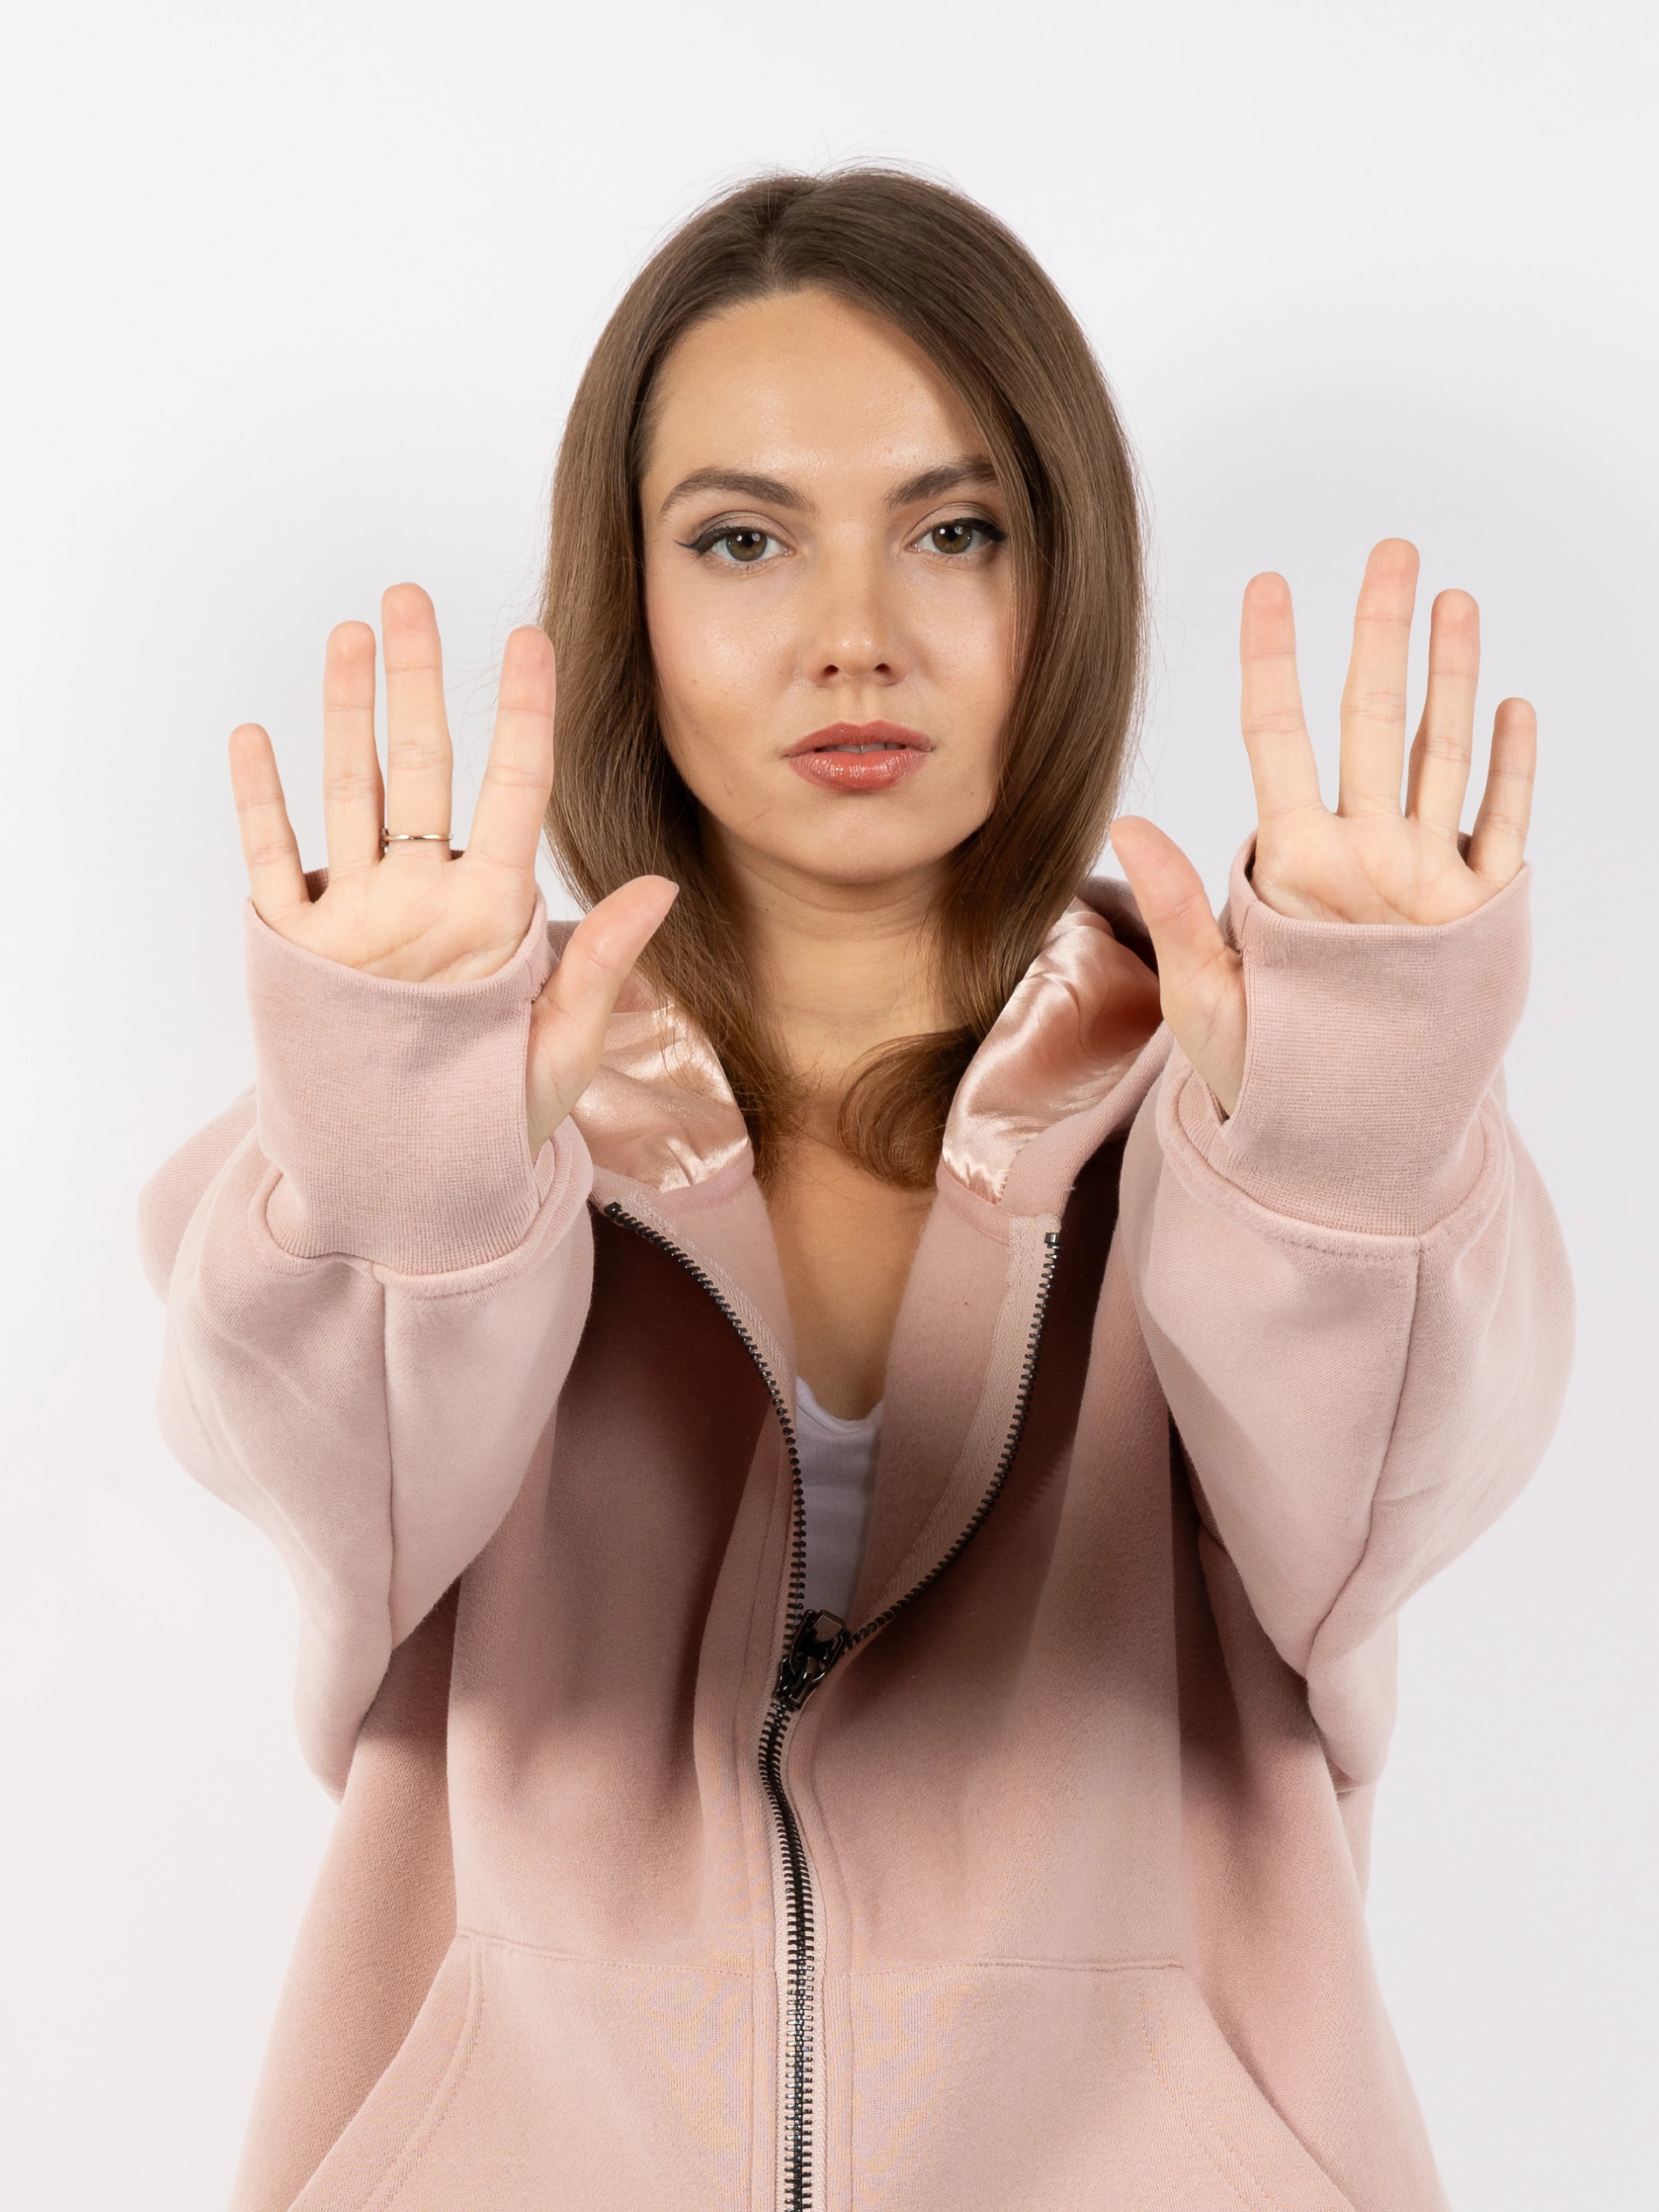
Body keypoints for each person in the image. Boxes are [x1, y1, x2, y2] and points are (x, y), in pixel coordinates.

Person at [138, 168, 1572, 2212]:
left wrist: (1351, 1129)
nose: (853, 639)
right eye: (743, 539)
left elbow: (1390, 1490)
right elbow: (311, 1454)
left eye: (955, 529)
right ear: (627, 597)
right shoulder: (481, 1112)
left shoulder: (1234, 1106)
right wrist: (404, 1133)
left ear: (1058, 583)